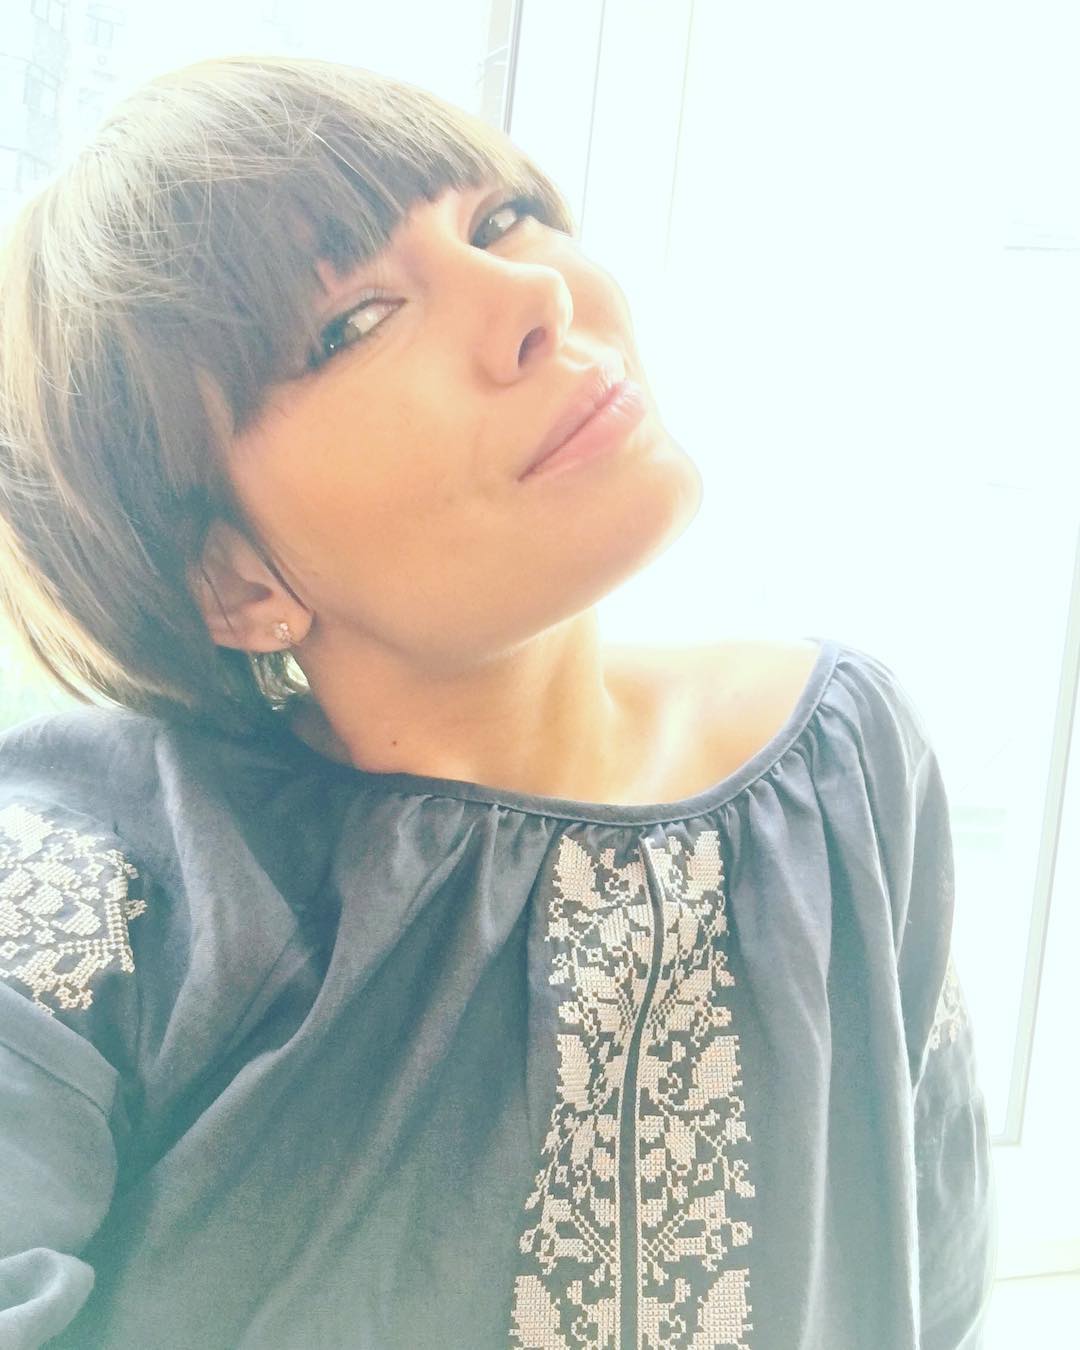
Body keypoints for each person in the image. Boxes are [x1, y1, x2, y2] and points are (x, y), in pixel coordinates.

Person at [0, 52, 994, 1350]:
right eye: (355, 321)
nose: (533, 294)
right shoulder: (93, 881)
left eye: (500, 219)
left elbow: (931, 1286)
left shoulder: (851, 757)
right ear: (233, 580)